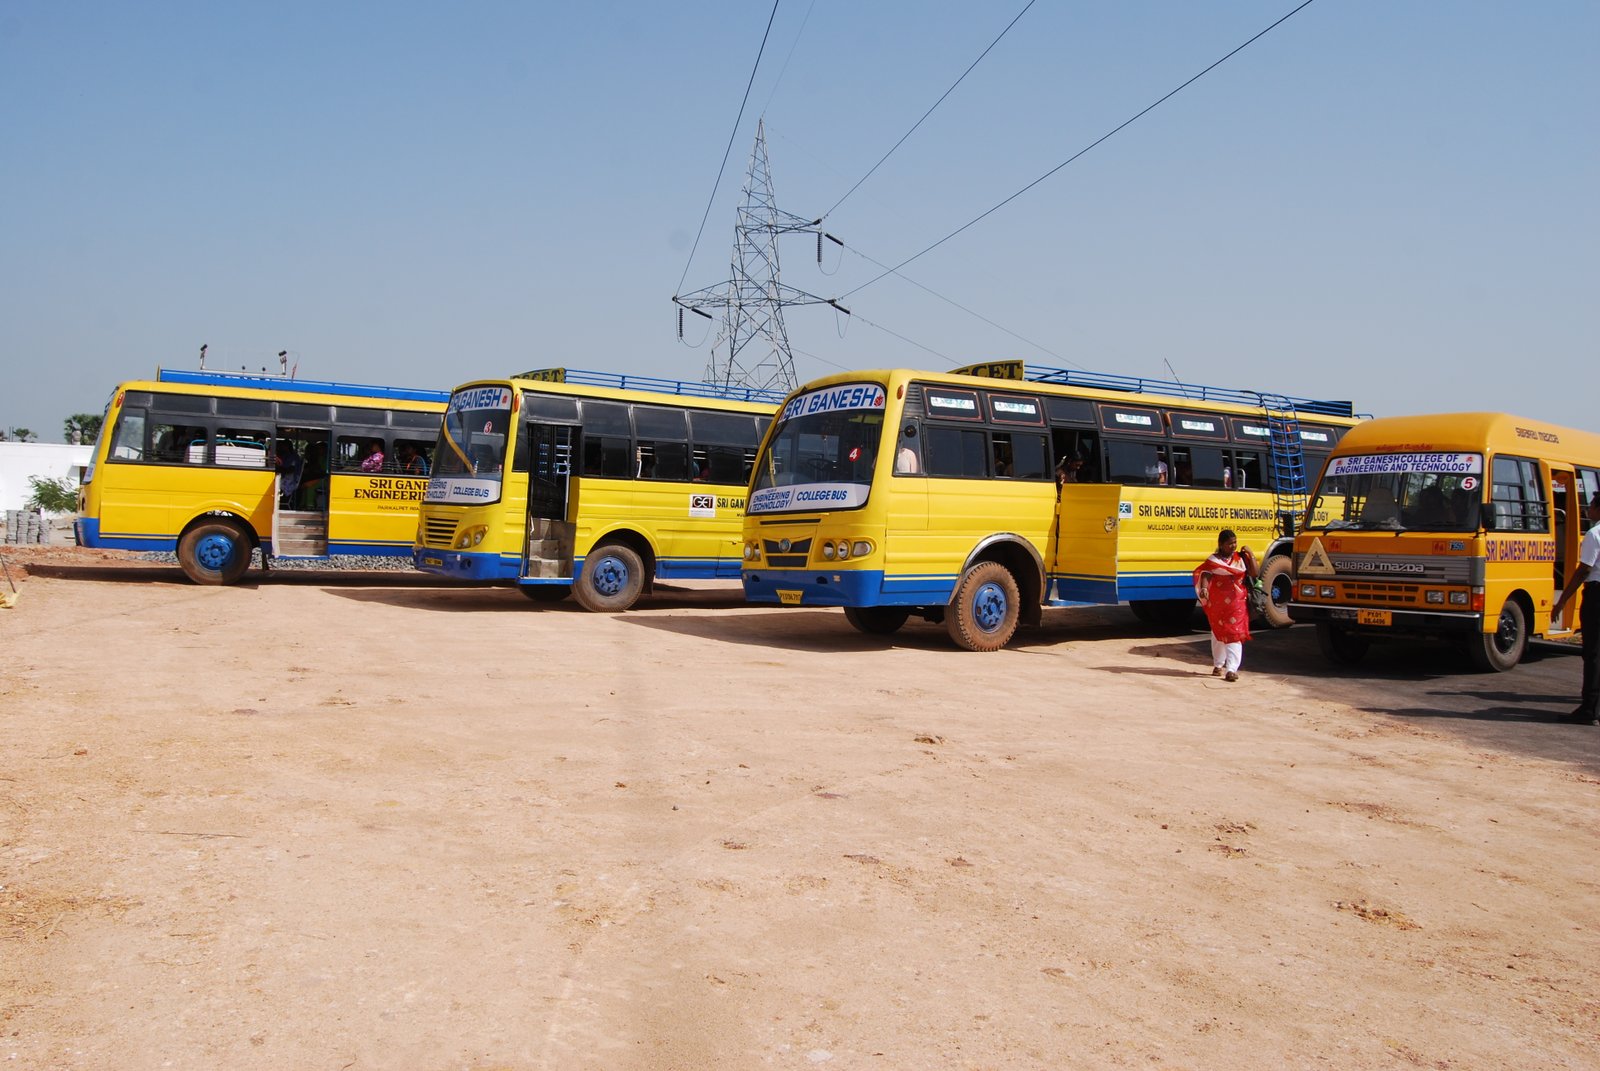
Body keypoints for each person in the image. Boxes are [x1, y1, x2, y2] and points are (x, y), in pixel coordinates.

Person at [1550, 493, 1600, 725]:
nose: (1588, 510)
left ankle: (1589, 709)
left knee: (1593, 653)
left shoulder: (1594, 534)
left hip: (1596, 596)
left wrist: (1562, 601)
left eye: (1590, 506)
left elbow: (1583, 570)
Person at [1193, 529, 1257, 681]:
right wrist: (1203, 589)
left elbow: (1254, 573)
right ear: (1221, 545)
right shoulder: (1214, 560)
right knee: (1218, 633)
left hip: (1237, 602)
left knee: (1234, 633)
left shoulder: (1240, 559)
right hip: (1217, 603)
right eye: (1230, 543)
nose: (1233, 546)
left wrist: (1251, 554)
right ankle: (1218, 664)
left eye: (1235, 542)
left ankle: (1232, 669)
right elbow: (1206, 574)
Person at [272, 441, 303, 507]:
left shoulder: (293, 457)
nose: (279, 448)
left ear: (287, 447)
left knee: (272, 484)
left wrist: (278, 469)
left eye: (281, 446)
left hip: (291, 479)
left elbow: (290, 470)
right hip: (284, 477)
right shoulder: (284, 455)